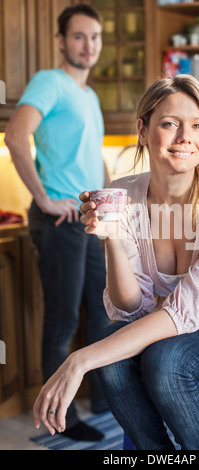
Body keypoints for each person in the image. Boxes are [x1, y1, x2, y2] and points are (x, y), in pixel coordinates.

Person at [32, 75, 199, 450]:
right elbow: (129, 308)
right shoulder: (124, 196)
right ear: (143, 130)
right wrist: (112, 237)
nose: (186, 137)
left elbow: (185, 313)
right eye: (170, 123)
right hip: (166, 339)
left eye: (197, 125)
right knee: (111, 352)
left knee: (165, 360)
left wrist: (78, 361)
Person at [5, 4, 111, 441]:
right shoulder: (49, 82)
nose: (89, 45)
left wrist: (114, 205)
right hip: (60, 221)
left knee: (106, 314)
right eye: (79, 36)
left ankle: (108, 401)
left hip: (89, 221)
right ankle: (57, 420)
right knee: (64, 320)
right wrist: (44, 199)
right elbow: (14, 135)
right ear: (62, 41)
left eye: (95, 37)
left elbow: (95, 159)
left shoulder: (89, 96)